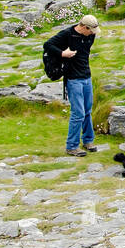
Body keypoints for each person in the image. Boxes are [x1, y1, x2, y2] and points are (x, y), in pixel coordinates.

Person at [44, 14, 100, 156]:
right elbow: (47, 45)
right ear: (83, 27)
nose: (92, 34)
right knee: (78, 113)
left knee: (87, 110)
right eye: (91, 30)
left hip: (86, 76)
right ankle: (72, 146)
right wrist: (63, 54)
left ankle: (88, 140)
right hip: (73, 79)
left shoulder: (90, 36)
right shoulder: (67, 34)